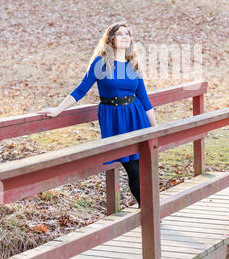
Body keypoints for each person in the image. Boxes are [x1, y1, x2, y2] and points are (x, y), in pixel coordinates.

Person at [38, 21, 157, 207]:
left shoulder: (133, 64)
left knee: (140, 168)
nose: (125, 37)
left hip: (136, 117)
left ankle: (149, 211)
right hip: (115, 120)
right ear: (111, 39)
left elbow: (143, 97)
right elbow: (80, 90)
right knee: (133, 168)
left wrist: (155, 128)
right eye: (120, 34)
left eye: (128, 34)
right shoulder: (101, 63)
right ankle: (150, 211)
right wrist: (57, 110)